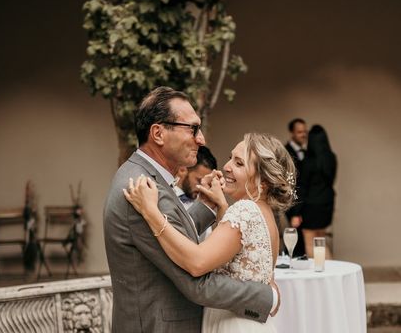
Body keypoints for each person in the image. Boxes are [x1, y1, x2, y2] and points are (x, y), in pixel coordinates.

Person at [103, 87, 278, 333]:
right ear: (158, 133)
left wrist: (206, 206)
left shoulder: (143, 177)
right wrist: (267, 296)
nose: (201, 139)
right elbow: (196, 281)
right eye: (193, 128)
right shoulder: (142, 189)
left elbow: (174, 236)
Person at [125, 132, 296, 333]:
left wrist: (151, 213)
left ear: (263, 182)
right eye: (230, 158)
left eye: (239, 163)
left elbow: (197, 263)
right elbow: (235, 255)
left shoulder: (246, 211)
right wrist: (221, 205)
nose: (226, 167)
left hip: (232, 324)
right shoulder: (265, 214)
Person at [298, 124, 336, 259]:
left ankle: (323, 274)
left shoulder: (308, 161)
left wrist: (296, 211)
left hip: (311, 206)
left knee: (310, 243)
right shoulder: (331, 158)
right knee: (320, 240)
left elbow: (302, 187)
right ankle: (330, 273)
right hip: (327, 204)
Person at [284, 118, 307, 257]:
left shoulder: (306, 152)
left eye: (305, 132)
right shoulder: (287, 153)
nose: (303, 135)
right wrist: (295, 212)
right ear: (292, 133)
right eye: (299, 132)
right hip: (294, 205)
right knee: (294, 243)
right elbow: (290, 184)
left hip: (303, 205)